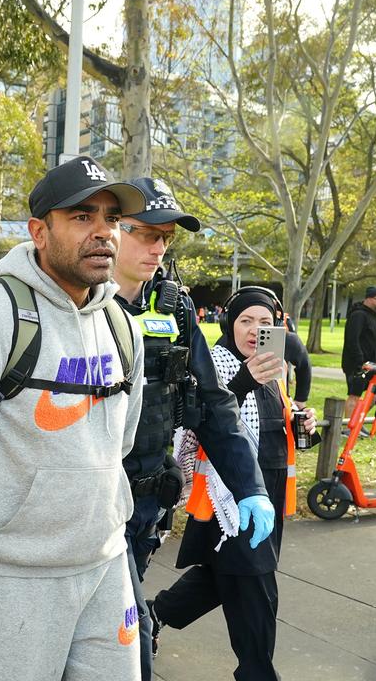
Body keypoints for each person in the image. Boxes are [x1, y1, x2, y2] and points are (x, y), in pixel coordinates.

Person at [0, 156, 272, 681]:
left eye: (111, 219)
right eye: (81, 217)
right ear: (39, 231)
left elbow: (116, 443)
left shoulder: (123, 325)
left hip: (107, 561)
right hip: (16, 577)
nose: (102, 233)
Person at [111, 176, 275, 677]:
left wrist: (250, 487)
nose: (157, 247)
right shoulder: (77, 303)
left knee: (124, 635)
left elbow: (213, 405)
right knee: (107, 641)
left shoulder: (175, 309)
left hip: (142, 504)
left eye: (166, 237)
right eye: (144, 233)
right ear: (110, 230)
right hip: (79, 509)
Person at [154, 286, 317, 681]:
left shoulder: (274, 368)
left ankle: (152, 614)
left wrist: (301, 421)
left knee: (222, 578)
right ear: (230, 322)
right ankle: (257, 674)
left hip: (271, 495)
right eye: (246, 321)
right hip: (230, 496)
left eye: (265, 322)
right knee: (257, 591)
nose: (254, 330)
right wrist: (245, 379)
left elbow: (271, 425)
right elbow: (207, 418)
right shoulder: (217, 361)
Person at [342, 286, 376, 417]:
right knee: (354, 395)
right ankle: (347, 427)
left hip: (374, 366)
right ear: (369, 299)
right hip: (358, 365)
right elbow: (352, 340)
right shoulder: (358, 315)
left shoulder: (375, 317)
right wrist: (360, 362)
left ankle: (357, 421)